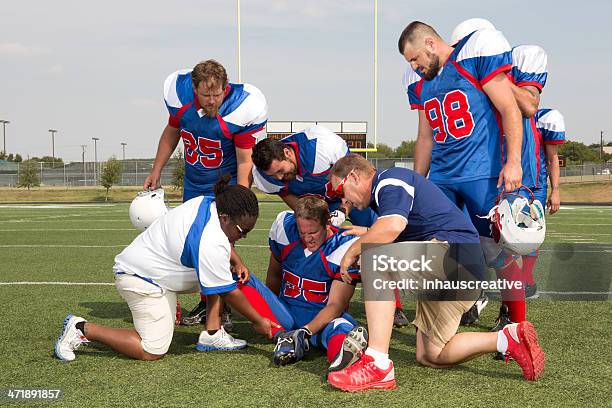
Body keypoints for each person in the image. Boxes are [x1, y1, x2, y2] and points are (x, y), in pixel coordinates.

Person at [325, 154, 545, 392]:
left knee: (374, 259)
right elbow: (409, 226)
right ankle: (508, 338)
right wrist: (369, 230)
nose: (343, 200)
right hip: (460, 267)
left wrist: (353, 252)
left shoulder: (389, 179)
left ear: (354, 176)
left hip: (456, 259)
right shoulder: (388, 192)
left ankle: (378, 363)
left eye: (341, 190)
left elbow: (392, 226)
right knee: (431, 354)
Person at [54, 175, 278, 362]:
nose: (243, 236)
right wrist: (259, 321)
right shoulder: (210, 240)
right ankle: (82, 328)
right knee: (152, 350)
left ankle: (212, 332)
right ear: (225, 217)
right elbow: (228, 290)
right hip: (141, 278)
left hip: (159, 266)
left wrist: (236, 260)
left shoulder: (210, 203)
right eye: (242, 230)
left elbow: (217, 245)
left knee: (222, 271)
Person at [401, 21, 524, 327]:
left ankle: (514, 319)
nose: (414, 66)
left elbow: (509, 108)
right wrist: (417, 182)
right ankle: (456, 309)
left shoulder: (471, 56)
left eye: (415, 58)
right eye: (410, 63)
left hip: (480, 173)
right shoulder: (422, 81)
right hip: (442, 177)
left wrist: (514, 161)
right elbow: (425, 137)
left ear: (430, 43)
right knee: (441, 248)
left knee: (496, 247)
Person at [144, 59, 268, 326]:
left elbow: (245, 159)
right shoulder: (181, 99)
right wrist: (156, 170)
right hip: (194, 182)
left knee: (221, 244)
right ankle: (207, 303)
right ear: (193, 89)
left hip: (224, 184)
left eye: (217, 94)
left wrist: (239, 195)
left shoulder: (240, 107)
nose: (212, 101)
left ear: (226, 87)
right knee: (194, 243)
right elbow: (171, 133)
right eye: (206, 94)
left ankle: (220, 308)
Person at [252, 126, 410, 327]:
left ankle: (394, 306)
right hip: (315, 204)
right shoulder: (264, 174)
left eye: (281, 171)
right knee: (306, 243)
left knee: (377, 241)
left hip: (347, 195)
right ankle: (310, 298)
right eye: (275, 176)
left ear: (287, 152)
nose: (280, 178)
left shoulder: (321, 146)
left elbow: (355, 177)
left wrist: (343, 211)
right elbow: (292, 199)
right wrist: (313, 218)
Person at [237, 196, 368, 372]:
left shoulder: (343, 245)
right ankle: (282, 336)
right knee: (236, 273)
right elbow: (274, 275)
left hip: (319, 318)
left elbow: (336, 305)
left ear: (327, 223)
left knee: (342, 329)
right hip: (285, 311)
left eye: (313, 233)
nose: (307, 239)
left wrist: (304, 332)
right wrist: (266, 314)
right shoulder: (285, 228)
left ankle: (343, 365)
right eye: (302, 232)